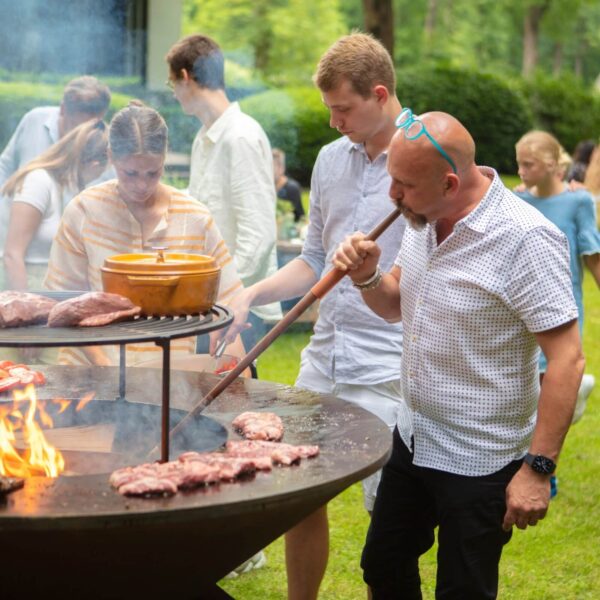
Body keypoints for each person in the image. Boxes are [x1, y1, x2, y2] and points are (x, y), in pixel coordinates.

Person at [332, 110, 584, 599]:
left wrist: (537, 470)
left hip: (481, 458)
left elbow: (568, 360)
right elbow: (392, 305)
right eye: (392, 180)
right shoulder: (423, 218)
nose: (392, 196)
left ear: (449, 183)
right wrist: (366, 275)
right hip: (414, 435)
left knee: (463, 590)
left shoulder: (525, 239)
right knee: (382, 565)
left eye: (403, 184)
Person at [220, 33, 410, 600]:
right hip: (324, 354)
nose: (333, 122)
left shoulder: (424, 152)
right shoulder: (332, 159)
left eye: (343, 109)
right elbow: (313, 261)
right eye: (329, 109)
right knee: (298, 492)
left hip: (391, 361)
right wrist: (251, 294)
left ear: (380, 94)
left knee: (389, 521)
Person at [44, 101, 245, 367]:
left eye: (153, 172)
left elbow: (230, 302)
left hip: (168, 378)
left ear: (164, 157)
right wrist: (103, 364)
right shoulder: (83, 211)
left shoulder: (194, 218)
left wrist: (238, 373)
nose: (141, 185)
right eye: (130, 173)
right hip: (89, 376)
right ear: (111, 156)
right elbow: (63, 305)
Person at [165, 34, 281, 354]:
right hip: (210, 303)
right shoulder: (204, 137)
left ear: (185, 78)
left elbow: (259, 237)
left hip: (239, 306)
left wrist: (224, 295)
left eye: (171, 83)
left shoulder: (240, 136)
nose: (174, 93)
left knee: (231, 400)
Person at [515, 131, 600, 433]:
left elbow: (593, 257)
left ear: (552, 164)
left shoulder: (578, 202)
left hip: (564, 308)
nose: (522, 172)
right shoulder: (516, 201)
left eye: (529, 165)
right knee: (526, 396)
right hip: (522, 309)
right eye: (519, 165)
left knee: (550, 391)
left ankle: (545, 475)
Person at [2, 119, 109, 291]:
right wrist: (25, 308)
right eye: (103, 170)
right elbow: (12, 255)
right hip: (26, 293)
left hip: (51, 297)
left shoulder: (67, 189)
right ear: (94, 165)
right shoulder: (38, 181)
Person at [0, 76, 111, 189]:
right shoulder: (34, 119)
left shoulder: (106, 149)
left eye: (89, 127)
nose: (80, 133)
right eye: (75, 125)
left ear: (102, 116)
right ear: (62, 109)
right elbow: (5, 166)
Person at [273, 148, 305, 223]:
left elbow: (300, 217)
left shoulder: (292, 188)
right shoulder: (263, 188)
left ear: (282, 168)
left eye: (272, 167)